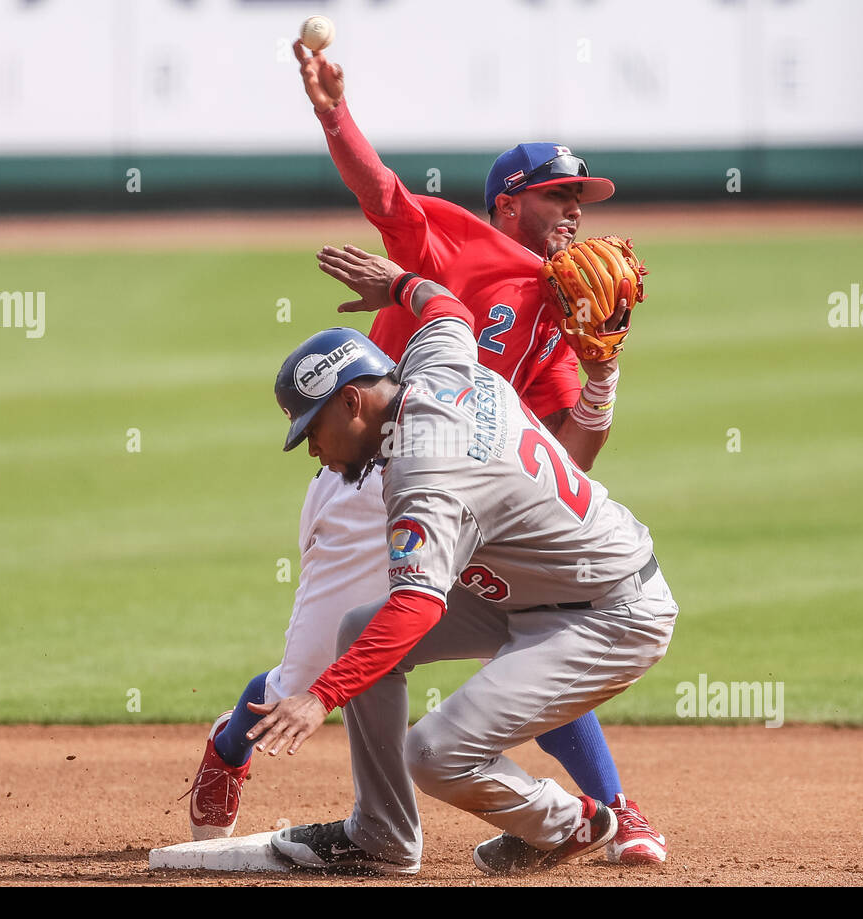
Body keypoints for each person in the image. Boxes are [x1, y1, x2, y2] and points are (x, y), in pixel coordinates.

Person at [185, 40, 666, 866]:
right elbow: (384, 196)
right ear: (509, 206)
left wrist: (602, 373)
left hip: (459, 488)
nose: (576, 212)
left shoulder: (562, 313)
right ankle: (230, 749)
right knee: (316, 670)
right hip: (363, 481)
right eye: (559, 196)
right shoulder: (459, 244)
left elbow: (565, 461)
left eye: (583, 198)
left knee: (538, 619)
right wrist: (335, 114)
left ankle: (606, 807)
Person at [250, 245, 678, 875]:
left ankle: (569, 823)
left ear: (351, 403)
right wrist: (398, 283)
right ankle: (382, 835)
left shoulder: (424, 475)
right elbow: (446, 308)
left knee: (435, 752)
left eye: (312, 429)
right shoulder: (435, 364)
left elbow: (416, 608)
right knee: (355, 631)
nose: (314, 450)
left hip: (610, 617)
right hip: (533, 590)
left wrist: (320, 696)